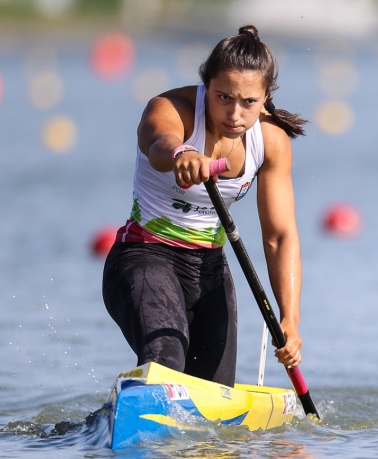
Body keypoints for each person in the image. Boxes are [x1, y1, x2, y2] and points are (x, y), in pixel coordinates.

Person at [103, 25, 307, 388]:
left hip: (209, 271)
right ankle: (137, 426)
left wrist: (289, 319)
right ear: (205, 86)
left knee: (214, 391)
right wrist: (181, 153)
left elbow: (279, 236)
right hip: (144, 256)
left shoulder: (271, 141)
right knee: (165, 358)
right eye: (222, 97)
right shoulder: (171, 109)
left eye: (248, 102)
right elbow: (158, 143)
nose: (234, 114)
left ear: (265, 97)